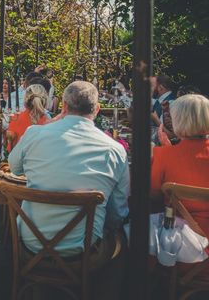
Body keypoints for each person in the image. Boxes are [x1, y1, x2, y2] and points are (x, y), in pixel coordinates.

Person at [8, 81, 129, 257]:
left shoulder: (35, 134)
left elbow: (14, 167)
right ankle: (93, 284)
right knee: (121, 242)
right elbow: (118, 211)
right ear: (97, 109)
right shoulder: (115, 150)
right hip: (85, 250)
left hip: (31, 243)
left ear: (63, 106)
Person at [151, 94, 209, 237]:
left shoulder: (163, 155)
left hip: (179, 239)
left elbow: (153, 197)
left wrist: (167, 151)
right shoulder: (165, 154)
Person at [6, 84, 50, 152]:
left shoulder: (15, 118)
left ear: (25, 100)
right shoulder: (50, 123)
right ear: (45, 100)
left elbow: (10, 150)